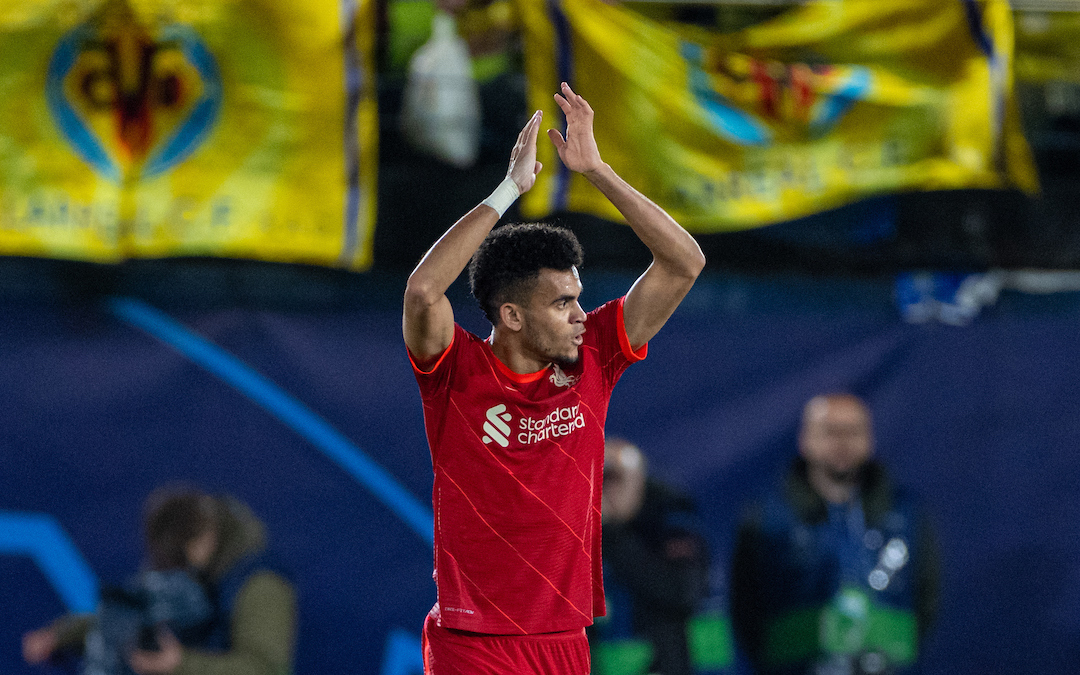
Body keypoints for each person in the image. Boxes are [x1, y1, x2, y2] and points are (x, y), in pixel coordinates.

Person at [403, 82, 705, 673]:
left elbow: (684, 262)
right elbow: (422, 290)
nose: (578, 314)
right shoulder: (455, 371)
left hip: (566, 639)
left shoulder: (592, 354)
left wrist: (596, 171)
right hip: (473, 642)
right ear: (511, 315)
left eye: (578, 298)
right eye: (561, 302)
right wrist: (510, 189)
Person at [730, 394, 940, 675]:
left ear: (870, 440)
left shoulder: (905, 515)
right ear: (805, 440)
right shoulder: (768, 520)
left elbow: (926, 597)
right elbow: (745, 604)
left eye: (853, 432)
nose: (843, 442)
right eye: (830, 432)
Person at [22, 487, 297, 675]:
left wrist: (181, 664)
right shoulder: (188, 572)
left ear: (206, 539)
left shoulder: (261, 586)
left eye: (179, 558)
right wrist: (61, 635)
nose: (172, 568)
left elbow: (266, 670)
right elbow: (130, 615)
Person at [592, 438, 710, 675]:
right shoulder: (583, 528)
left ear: (638, 478)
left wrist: (613, 534)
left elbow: (680, 591)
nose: (609, 491)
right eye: (602, 481)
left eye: (617, 479)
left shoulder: (672, 519)